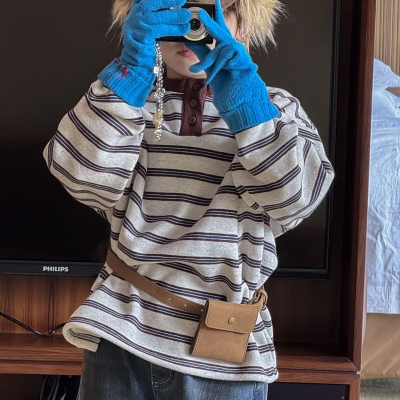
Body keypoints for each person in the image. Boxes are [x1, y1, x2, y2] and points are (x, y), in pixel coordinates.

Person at [43, 0, 334, 398]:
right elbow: (82, 179)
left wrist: (248, 105)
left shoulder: (275, 109)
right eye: (174, 6)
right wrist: (129, 74)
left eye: (213, 9)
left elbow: (296, 200)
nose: (193, 24)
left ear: (244, 26)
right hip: (120, 333)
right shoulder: (126, 103)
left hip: (226, 350)